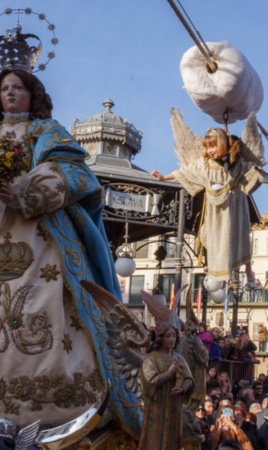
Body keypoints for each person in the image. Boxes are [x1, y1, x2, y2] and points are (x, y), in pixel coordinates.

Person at [0, 68, 141, 430]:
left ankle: (50, 404)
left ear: (33, 95)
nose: (11, 94)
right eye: (4, 88)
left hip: (37, 233)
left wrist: (24, 193)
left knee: (42, 300)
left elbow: (77, 174)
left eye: (18, 88)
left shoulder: (45, 132)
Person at [152, 127, 268, 284]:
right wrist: (164, 177)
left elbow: (252, 173)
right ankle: (218, 277)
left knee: (240, 237)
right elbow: (185, 171)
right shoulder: (205, 165)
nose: (210, 151)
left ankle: (249, 273)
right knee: (214, 239)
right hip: (215, 213)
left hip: (234, 208)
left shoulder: (236, 163)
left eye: (213, 146)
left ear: (222, 144)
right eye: (207, 147)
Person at [139, 322, 194, 449]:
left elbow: (189, 378)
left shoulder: (178, 358)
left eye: (174, 336)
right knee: (155, 439)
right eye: (168, 336)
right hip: (157, 408)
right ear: (160, 338)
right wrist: (169, 374)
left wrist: (183, 388)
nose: (172, 339)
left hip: (174, 407)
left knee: (173, 438)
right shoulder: (151, 359)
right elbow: (150, 382)